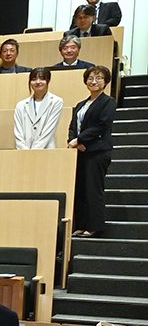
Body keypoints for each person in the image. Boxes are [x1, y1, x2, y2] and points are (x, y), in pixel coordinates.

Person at [68, 65, 115, 236]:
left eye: (99, 78)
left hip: (98, 151)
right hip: (80, 152)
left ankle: (94, 225)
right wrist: (73, 141)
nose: (93, 81)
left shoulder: (108, 101)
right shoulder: (81, 104)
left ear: (106, 82)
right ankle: (81, 224)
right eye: (90, 78)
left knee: (93, 189)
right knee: (80, 189)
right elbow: (73, 126)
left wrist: (80, 139)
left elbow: (101, 125)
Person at [13, 67, 63, 150]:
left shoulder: (56, 102)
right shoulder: (21, 105)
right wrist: (24, 149)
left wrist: (35, 151)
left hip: (46, 150)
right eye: (34, 79)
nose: (38, 82)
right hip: (23, 152)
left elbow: (49, 129)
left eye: (42, 79)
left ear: (48, 81)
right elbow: (18, 132)